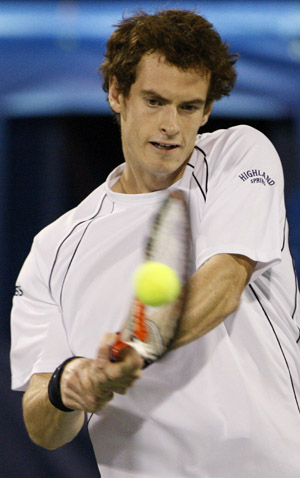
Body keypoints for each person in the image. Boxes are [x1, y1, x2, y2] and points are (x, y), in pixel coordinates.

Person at [10, 9, 300, 478]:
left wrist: (131, 349)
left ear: (206, 111)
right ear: (117, 95)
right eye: (154, 101)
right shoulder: (53, 247)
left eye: (189, 107)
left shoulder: (238, 155)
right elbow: (42, 422)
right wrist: (71, 386)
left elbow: (223, 283)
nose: (171, 125)